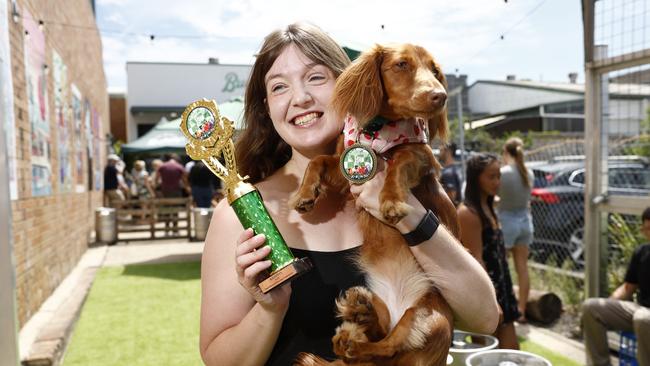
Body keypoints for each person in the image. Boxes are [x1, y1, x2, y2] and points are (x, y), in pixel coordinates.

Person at [199, 22, 499, 366]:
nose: (300, 98)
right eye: (279, 87)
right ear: (267, 107)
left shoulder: (415, 189)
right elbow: (218, 360)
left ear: (350, 85)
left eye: (315, 78)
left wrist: (410, 213)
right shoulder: (240, 214)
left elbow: (484, 317)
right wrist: (270, 309)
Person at [457, 153, 520, 349]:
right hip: (485, 294)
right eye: (491, 176)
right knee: (487, 354)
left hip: (502, 288)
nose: (497, 182)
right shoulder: (468, 213)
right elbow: (476, 261)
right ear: (476, 178)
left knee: (511, 352)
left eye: (498, 176)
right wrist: (491, 301)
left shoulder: (489, 206)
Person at [582, 207, 650, 366]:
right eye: (646, 229)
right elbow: (628, 288)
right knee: (591, 307)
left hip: (644, 317)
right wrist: (607, 303)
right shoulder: (642, 252)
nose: (648, 233)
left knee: (642, 318)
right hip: (640, 310)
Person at [497, 137, 534, 323]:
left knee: (502, 267)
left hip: (506, 223)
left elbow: (497, 198)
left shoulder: (503, 173)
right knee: (523, 269)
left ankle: (504, 307)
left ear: (506, 153)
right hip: (525, 223)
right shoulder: (529, 172)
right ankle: (522, 311)